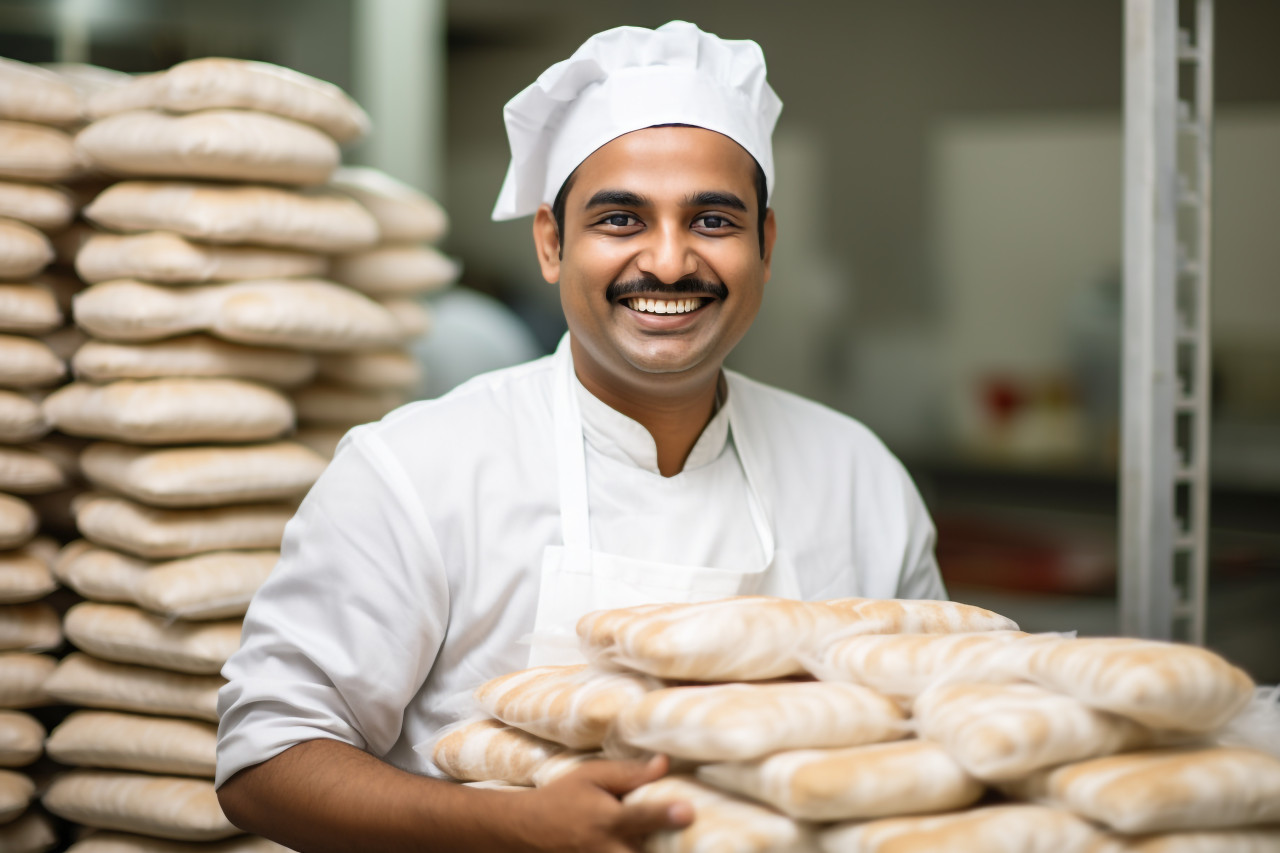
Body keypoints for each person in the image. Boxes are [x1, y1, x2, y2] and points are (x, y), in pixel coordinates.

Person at [215, 20, 945, 852]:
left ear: (766, 246)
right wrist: (507, 826)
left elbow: (938, 725)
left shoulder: (860, 477)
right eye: (621, 219)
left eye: (712, 220)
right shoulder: (415, 470)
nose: (669, 262)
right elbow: (264, 764)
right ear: (551, 242)